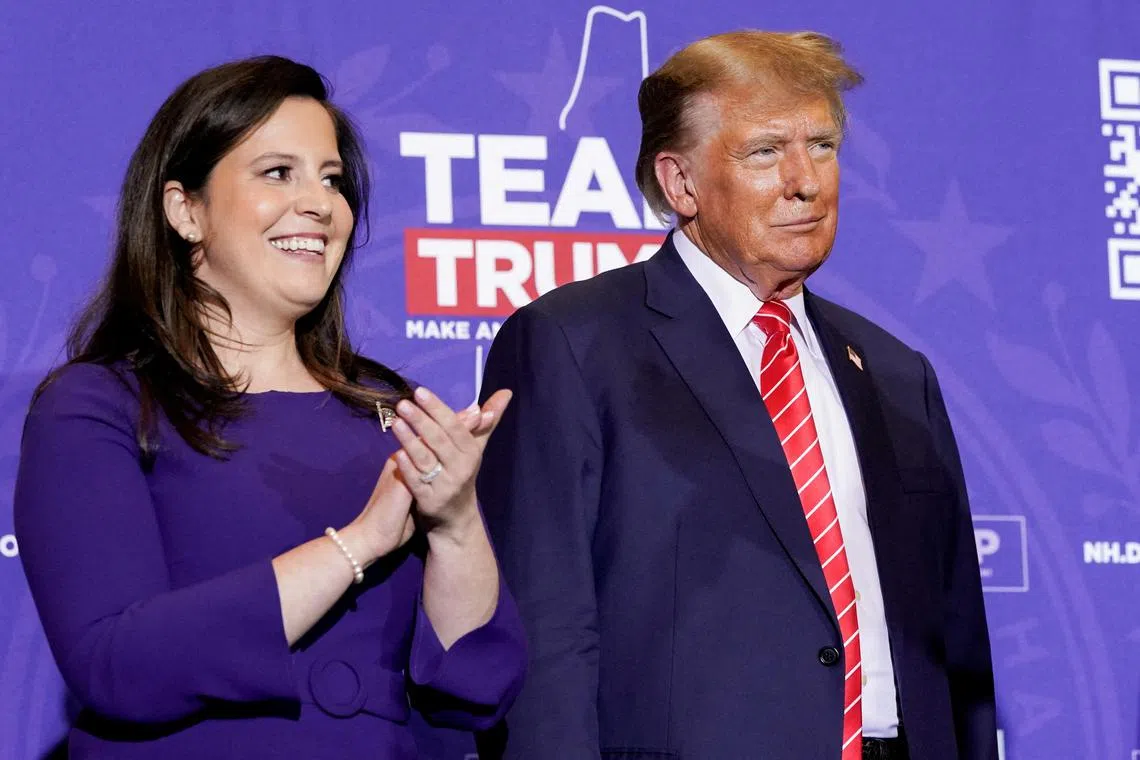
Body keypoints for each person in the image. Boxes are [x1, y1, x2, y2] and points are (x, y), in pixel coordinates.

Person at [478, 30, 996, 760]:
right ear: (680, 182)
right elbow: (544, 627)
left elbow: (958, 642)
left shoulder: (896, 371)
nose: (806, 179)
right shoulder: (571, 345)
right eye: (764, 151)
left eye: (822, 145)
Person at [14, 55, 525, 759]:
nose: (318, 203)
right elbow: (117, 664)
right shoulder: (100, 406)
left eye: (332, 179)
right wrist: (360, 543)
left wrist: (458, 520)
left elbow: (478, 686)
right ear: (184, 209)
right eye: (277, 172)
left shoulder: (395, 414)